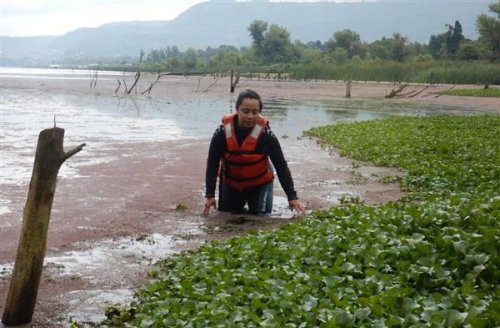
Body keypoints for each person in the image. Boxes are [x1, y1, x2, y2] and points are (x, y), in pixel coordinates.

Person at [203, 89, 305, 215]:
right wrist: (210, 195)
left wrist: (292, 197)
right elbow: (213, 163)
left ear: (259, 112)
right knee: (226, 217)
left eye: (254, 112)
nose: (250, 116)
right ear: (237, 109)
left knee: (261, 219)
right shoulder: (221, 133)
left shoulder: (266, 136)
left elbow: (281, 165)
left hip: (260, 183)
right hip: (230, 182)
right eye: (245, 111)